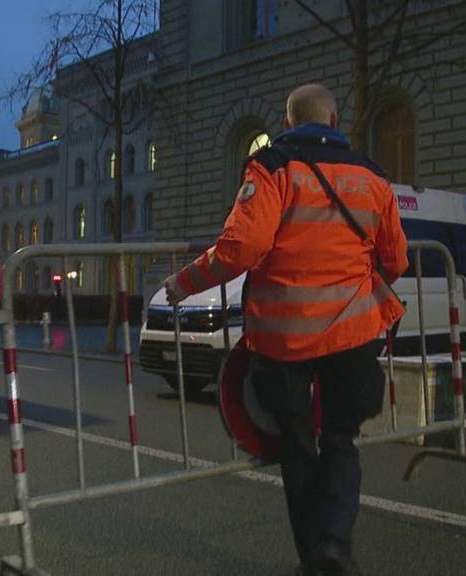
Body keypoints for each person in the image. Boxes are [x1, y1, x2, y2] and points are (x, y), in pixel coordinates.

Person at [164, 84, 408, 575]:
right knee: (341, 440)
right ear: (335, 119)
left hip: (283, 337)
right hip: (352, 335)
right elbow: (396, 259)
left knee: (296, 446)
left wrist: (182, 283)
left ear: (289, 120)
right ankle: (335, 545)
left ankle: (313, 557)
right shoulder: (372, 178)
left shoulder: (272, 168)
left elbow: (239, 250)